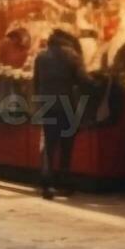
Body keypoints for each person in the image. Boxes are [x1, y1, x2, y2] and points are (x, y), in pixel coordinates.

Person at [33, 29, 93, 200]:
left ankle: (46, 184)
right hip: (67, 104)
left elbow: (36, 82)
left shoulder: (41, 57)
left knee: (49, 145)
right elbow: (83, 80)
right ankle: (65, 183)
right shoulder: (72, 55)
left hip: (47, 104)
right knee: (67, 145)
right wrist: (96, 83)